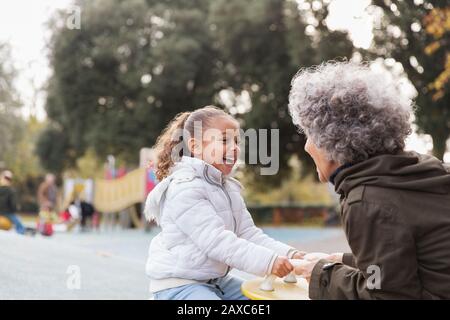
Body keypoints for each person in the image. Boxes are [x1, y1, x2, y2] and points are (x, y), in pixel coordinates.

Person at [288, 61, 450, 299]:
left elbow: (386, 294)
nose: (306, 145)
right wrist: (339, 261)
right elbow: (402, 259)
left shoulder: (367, 200)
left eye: (309, 133)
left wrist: (320, 274)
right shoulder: (419, 171)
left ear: (331, 140)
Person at [144, 106, 304, 300]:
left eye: (236, 141)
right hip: (179, 285)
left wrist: (291, 254)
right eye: (224, 140)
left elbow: (248, 234)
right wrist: (269, 262)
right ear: (195, 146)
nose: (234, 147)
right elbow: (217, 241)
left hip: (215, 281)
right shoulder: (184, 188)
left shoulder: (227, 188)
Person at [0, 170, 26, 234]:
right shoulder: (11, 191)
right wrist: (16, 208)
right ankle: (21, 231)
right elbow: (13, 204)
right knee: (18, 222)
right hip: (7, 212)